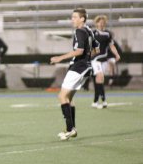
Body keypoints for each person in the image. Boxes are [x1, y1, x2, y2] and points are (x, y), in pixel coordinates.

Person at [50, 7, 98, 141]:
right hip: (86, 68)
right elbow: (97, 49)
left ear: (82, 18)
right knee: (69, 98)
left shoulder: (79, 31)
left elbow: (79, 51)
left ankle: (70, 129)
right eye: (72, 17)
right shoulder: (89, 31)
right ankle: (71, 128)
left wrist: (59, 58)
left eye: (74, 17)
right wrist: (87, 59)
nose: (72, 19)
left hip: (78, 68)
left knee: (62, 96)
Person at [91, 15, 121, 108]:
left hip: (104, 60)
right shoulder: (93, 33)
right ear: (96, 23)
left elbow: (112, 46)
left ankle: (96, 101)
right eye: (99, 21)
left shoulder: (108, 34)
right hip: (95, 59)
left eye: (103, 21)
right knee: (99, 77)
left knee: (99, 81)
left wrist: (116, 54)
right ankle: (104, 101)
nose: (101, 23)